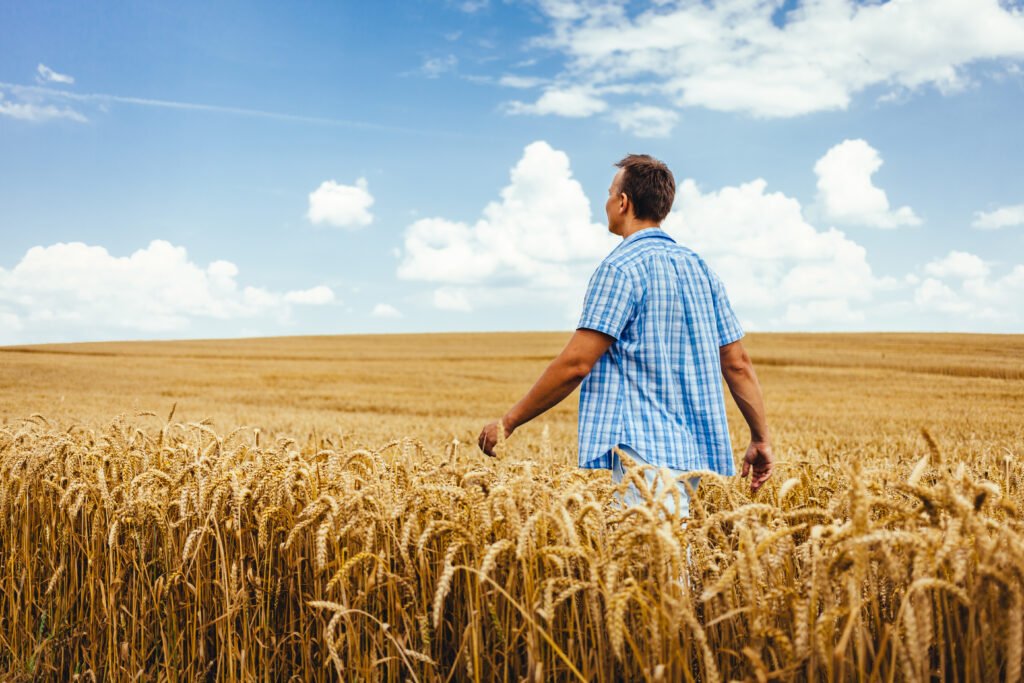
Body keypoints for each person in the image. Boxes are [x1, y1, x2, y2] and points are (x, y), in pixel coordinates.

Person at [477, 153, 773, 514]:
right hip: (691, 452)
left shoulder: (620, 268)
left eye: (609, 193)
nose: (606, 202)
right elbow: (738, 363)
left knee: (649, 563)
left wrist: (508, 422)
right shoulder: (701, 271)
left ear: (623, 202)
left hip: (642, 451)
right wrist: (760, 437)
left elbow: (576, 364)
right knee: (672, 559)